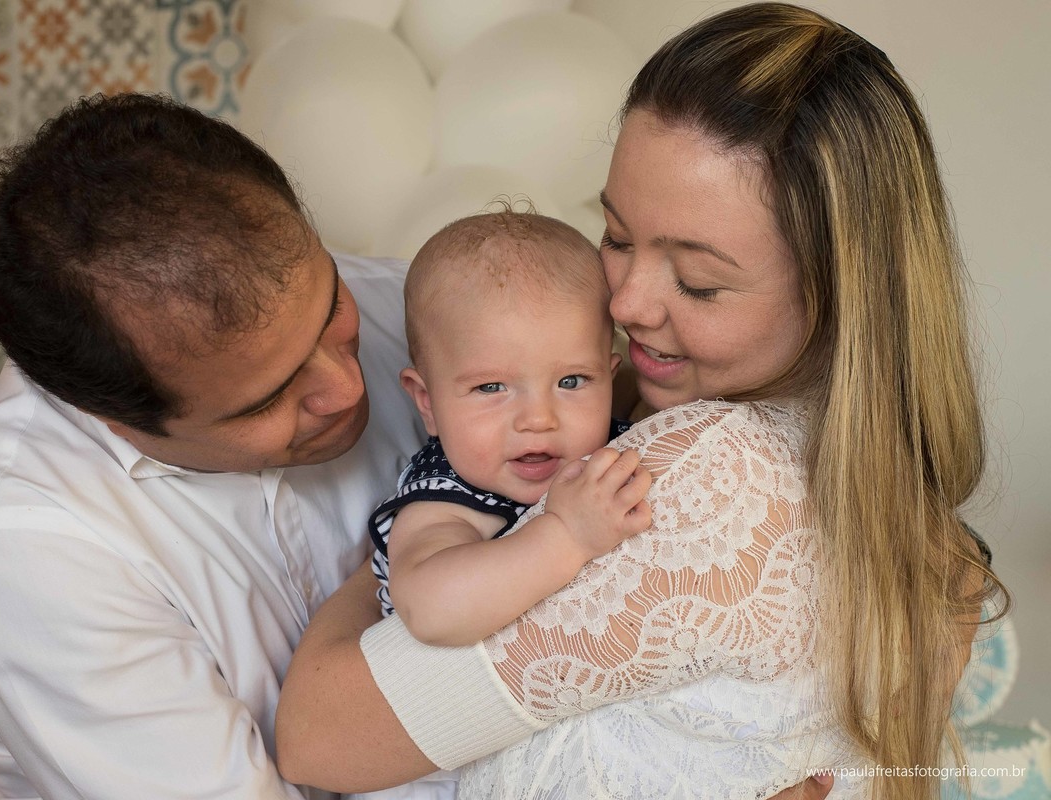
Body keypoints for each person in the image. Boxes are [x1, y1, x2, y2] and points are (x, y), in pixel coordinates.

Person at [275, 4, 1007, 799]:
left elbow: (318, 737)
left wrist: (404, 538)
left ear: (842, 298)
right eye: (617, 236)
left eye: (697, 281)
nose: (625, 303)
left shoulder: (708, 475)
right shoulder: (918, 524)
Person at [0, 93, 444, 800]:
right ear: (114, 418)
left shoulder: (419, 310)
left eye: (328, 312)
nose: (346, 389)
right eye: (265, 400)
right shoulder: (17, 542)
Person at [369, 210, 652, 645]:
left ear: (610, 379)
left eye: (571, 382)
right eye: (490, 387)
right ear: (428, 402)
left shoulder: (616, 441)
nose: (538, 419)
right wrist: (567, 535)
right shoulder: (445, 500)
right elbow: (432, 611)